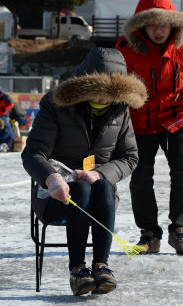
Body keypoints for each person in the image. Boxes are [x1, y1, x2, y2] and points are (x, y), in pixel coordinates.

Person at [21, 47, 147, 296]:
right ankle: (77, 270)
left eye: (110, 93)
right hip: (57, 196)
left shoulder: (120, 110)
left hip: (101, 201)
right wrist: (51, 178)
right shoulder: (55, 104)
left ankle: (102, 266)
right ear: (85, 84)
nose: (103, 98)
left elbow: (130, 157)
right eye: (98, 91)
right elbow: (33, 152)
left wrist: (101, 173)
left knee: (100, 185)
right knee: (80, 187)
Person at [115, 0, 183, 256]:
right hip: (141, 118)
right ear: (141, 25)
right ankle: (149, 233)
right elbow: (115, 83)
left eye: (163, 24)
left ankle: (179, 230)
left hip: (179, 114)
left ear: (173, 23)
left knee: (182, 169)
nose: (159, 31)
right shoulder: (125, 48)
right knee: (139, 177)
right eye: (152, 24)